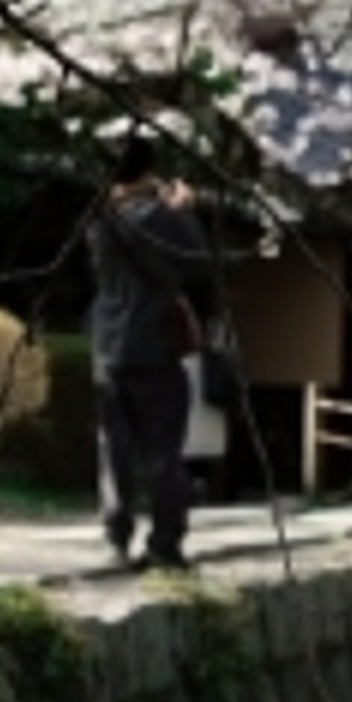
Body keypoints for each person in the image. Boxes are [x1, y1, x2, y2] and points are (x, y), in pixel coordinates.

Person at [88, 143, 218, 573]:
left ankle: (116, 537)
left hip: (108, 344)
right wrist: (183, 212)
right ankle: (164, 544)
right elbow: (198, 263)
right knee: (164, 451)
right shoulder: (159, 216)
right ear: (148, 170)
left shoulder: (98, 217)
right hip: (155, 344)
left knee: (114, 447)